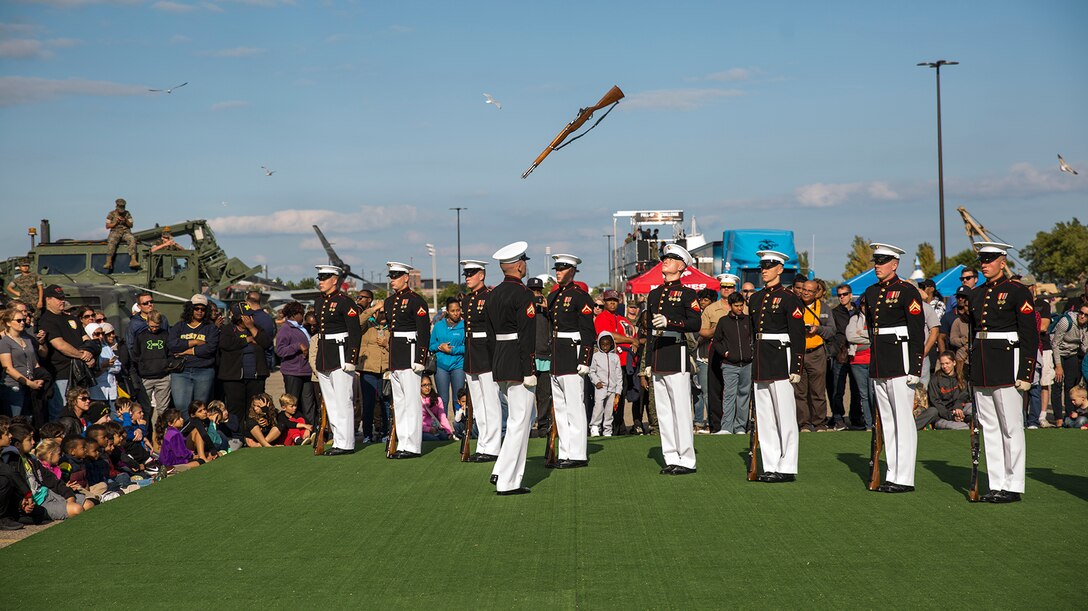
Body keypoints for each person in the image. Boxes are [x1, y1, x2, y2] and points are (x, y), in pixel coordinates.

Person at [965, 242, 1038, 503]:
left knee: (1011, 427)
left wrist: (1026, 371)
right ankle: (996, 482)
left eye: (990, 259)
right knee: (990, 427)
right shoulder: (977, 294)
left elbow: (1029, 334)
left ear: (1003, 261)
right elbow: (974, 334)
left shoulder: (1017, 291)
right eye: (982, 260)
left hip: (1008, 363)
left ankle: (1013, 483)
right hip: (984, 365)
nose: (985, 264)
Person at [862, 243, 926, 493]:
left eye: (882, 261)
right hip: (881, 361)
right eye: (876, 261)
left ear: (895, 264)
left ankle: (904, 477)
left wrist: (915, 366)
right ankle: (892, 473)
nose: (877, 266)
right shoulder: (870, 292)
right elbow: (870, 326)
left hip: (901, 361)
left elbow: (916, 330)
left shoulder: (907, 291)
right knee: (888, 422)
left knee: (902, 421)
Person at [644, 244, 701, 475]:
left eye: (671, 258)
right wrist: (647, 362)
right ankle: (671, 457)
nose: (665, 261)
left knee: (680, 409)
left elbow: (696, 323)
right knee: (664, 410)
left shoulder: (688, 294)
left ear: (681, 266)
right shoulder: (655, 293)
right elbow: (648, 330)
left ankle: (686, 459)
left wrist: (670, 323)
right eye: (665, 258)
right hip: (658, 353)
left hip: (676, 352)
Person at [749, 250, 805, 482]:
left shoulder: (790, 298)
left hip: (782, 357)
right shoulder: (755, 298)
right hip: (762, 358)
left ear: (780, 269)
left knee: (785, 415)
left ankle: (787, 465)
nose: (764, 270)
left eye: (769, 266)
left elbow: (798, 334)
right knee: (765, 416)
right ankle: (771, 464)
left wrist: (796, 366)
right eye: (762, 266)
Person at [486, 242, 537, 495]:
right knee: (520, 422)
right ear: (518, 265)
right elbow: (527, 336)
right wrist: (529, 369)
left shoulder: (493, 294)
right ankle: (508, 481)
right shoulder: (524, 294)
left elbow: (490, 335)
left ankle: (500, 469)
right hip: (518, 362)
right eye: (524, 262)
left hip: (500, 360)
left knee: (516, 420)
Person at [546, 253, 595, 469]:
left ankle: (577, 454)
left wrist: (585, 359)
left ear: (573, 270)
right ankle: (565, 451)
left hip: (573, 352)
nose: (558, 271)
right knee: (561, 407)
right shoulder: (554, 296)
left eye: (563, 268)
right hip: (557, 354)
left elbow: (588, 331)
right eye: (556, 268)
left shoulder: (580, 296)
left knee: (575, 406)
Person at [313, 265, 363, 456]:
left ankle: (346, 442)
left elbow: (354, 332)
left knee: (343, 400)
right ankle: (338, 439)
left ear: (335, 280)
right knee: (331, 402)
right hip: (325, 354)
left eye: (325, 278)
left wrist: (352, 357)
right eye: (320, 278)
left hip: (341, 354)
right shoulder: (319, 302)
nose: (321, 282)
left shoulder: (345, 302)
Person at [383, 261, 431, 459]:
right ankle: (402, 442)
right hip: (396, 356)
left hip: (411, 355)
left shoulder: (416, 300)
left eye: (396, 276)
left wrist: (421, 358)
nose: (393, 280)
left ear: (406, 277)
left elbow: (423, 332)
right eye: (391, 277)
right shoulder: (389, 302)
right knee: (400, 403)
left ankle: (412, 445)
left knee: (411, 402)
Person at [461, 259, 502, 462]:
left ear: (482, 275)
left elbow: (494, 331)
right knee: (478, 404)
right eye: (466, 274)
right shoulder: (467, 300)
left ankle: (493, 447)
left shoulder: (490, 297)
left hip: (486, 354)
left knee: (491, 403)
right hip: (471, 355)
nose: (467, 277)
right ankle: (483, 444)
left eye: (471, 273)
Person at [38, 285, 95, 422]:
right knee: (62, 412)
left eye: (63, 298)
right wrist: (82, 356)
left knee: (81, 412)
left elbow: (88, 340)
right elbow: (60, 345)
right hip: (61, 374)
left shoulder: (73, 319)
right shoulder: (46, 320)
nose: (62, 301)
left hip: (80, 374)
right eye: (58, 299)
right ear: (48, 300)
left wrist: (89, 353)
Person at [218, 303, 273, 423]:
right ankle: (237, 437)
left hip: (255, 377)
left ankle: (252, 436)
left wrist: (252, 328)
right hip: (234, 377)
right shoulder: (228, 330)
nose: (251, 319)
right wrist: (246, 340)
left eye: (251, 316)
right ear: (239, 317)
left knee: (254, 408)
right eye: (247, 316)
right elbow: (226, 344)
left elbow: (266, 343)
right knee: (236, 408)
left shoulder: (257, 328)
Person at [167, 295, 219, 417]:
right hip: (181, 372)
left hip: (204, 371)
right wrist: (194, 342)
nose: (200, 311)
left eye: (203, 309)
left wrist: (186, 351)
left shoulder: (210, 328)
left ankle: (198, 433)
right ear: (190, 309)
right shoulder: (179, 326)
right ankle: (185, 433)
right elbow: (172, 345)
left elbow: (210, 348)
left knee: (200, 408)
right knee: (181, 406)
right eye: (196, 308)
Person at [698, 274, 738, 434]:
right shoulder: (711, 309)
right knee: (714, 392)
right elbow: (701, 330)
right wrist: (716, 331)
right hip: (714, 355)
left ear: (734, 289)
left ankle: (736, 425)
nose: (726, 290)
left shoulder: (744, 307)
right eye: (724, 287)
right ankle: (716, 425)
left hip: (736, 356)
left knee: (735, 393)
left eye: (729, 287)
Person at [794, 280, 835, 432]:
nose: (805, 293)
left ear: (816, 292)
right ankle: (803, 423)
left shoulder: (824, 308)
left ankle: (819, 423)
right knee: (800, 391)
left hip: (817, 353)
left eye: (809, 291)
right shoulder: (794, 304)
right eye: (803, 289)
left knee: (818, 391)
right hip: (798, 353)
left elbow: (832, 330)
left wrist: (817, 329)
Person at [594, 289, 637, 435]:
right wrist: (631, 340)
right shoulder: (602, 317)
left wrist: (636, 341)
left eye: (615, 300)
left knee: (621, 396)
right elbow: (608, 337)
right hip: (608, 365)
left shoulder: (622, 319)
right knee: (607, 398)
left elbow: (634, 335)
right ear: (604, 302)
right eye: (609, 300)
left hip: (625, 363)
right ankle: (608, 427)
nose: (612, 303)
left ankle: (619, 425)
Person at [711, 292, 753, 435]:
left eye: (741, 305)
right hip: (729, 365)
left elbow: (753, 338)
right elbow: (716, 341)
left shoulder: (749, 320)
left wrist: (751, 352)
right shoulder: (723, 321)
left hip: (747, 364)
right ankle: (726, 428)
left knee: (744, 395)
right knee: (729, 395)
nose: (740, 308)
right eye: (736, 306)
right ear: (730, 306)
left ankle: (740, 427)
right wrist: (725, 353)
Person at [275, 301, 317, 426]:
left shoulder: (302, 327)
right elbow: (280, 350)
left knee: (309, 404)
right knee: (292, 404)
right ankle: (294, 430)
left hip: (306, 371)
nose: (302, 316)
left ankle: (310, 430)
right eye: (301, 313)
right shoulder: (285, 329)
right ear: (294, 314)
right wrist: (297, 346)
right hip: (293, 371)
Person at [1, 307, 44, 418]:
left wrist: (40, 378)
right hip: (14, 385)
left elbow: (35, 363)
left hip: (31, 384)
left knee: (29, 418)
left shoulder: (27, 340)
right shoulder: (4, 342)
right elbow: (8, 368)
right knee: (16, 418)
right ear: (9, 323)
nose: (22, 323)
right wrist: (28, 383)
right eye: (18, 320)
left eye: (23, 320)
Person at [1050, 302, 1087, 428]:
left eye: (1086, 315)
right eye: (1081, 313)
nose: (1082, 316)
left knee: (1070, 386)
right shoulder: (1067, 321)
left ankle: (1069, 416)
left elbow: (1084, 345)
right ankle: (1058, 418)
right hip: (1058, 352)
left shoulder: (1086, 326)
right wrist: (1058, 365)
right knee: (1057, 384)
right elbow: (1055, 343)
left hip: (1072, 353)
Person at [358, 310, 391, 444]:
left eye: (385, 312)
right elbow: (357, 322)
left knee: (386, 403)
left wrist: (386, 344)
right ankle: (367, 434)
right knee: (368, 403)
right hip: (368, 369)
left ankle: (386, 432)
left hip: (386, 369)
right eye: (380, 312)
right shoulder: (367, 325)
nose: (383, 315)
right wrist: (374, 308)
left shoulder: (392, 327)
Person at [430, 296, 466, 419]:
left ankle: (459, 426)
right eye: (453, 311)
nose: (456, 313)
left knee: (458, 398)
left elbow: (468, 347)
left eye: (458, 310)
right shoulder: (439, 326)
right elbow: (431, 345)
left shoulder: (465, 325)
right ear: (447, 312)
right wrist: (440, 347)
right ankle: (444, 428)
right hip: (441, 367)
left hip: (458, 366)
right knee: (443, 399)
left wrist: (453, 350)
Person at [828, 284, 858, 431]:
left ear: (850, 295)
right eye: (839, 295)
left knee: (856, 388)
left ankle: (856, 417)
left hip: (856, 354)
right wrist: (835, 349)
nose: (842, 297)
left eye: (844, 294)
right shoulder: (834, 312)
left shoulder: (858, 312)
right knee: (838, 389)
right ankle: (838, 418)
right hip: (840, 354)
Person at [916, 351, 971, 430]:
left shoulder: (960, 377)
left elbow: (963, 395)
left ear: (954, 363)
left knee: (971, 408)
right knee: (963, 427)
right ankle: (910, 429)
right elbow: (936, 402)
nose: (944, 366)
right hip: (942, 415)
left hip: (957, 409)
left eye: (947, 363)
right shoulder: (935, 379)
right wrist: (951, 416)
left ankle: (965, 420)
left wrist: (958, 408)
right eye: (942, 364)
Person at [528, 276, 553, 439]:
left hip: (545, 357)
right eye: (533, 292)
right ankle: (528, 427)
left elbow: (557, 326)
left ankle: (543, 426)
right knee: (526, 396)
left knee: (544, 395)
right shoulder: (523, 311)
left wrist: (547, 310)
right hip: (528, 357)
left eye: (539, 291)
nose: (536, 295)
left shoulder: (547, 312)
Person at [845, 301, 875, 430]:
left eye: (867, 304)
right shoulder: (854, 318)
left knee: (874, 393)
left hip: (874, 360)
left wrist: (861, 334)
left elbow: (877, 335)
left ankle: (877, 422)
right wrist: (870, 338)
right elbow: (850, 336)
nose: (865, 306)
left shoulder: (875, 318)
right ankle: (869, 425)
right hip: (857, 361)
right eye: (863, 304)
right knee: (864, 395)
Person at [588, 331, 622, 437]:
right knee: (598, 408)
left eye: (607, 344)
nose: (605, 347)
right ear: (599, 344)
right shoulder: (596, 356)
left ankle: (607, 429)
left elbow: (619, 375)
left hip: (612, 388)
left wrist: (618, 391)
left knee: (609, 410)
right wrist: (596, 381)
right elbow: (591, 371)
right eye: (603, 344)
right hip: (600, 387)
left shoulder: (615, 357)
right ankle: (594, 427)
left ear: (611, 344)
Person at [85, 323, 120, 413]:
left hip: (111, 390)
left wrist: (107, 367)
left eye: (102, 333)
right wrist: (104, 366)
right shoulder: (87, 349)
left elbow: (118, 366)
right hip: (97, 391)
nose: (101, 336)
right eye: (97, 334)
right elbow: (90, 370)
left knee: (113, 415)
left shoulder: (106, 347)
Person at [104, 197, 139, 272]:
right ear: (117, 206)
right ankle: (109, 261)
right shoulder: (111, 213)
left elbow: (131, 225)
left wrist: (126, 220)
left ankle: (133, 260)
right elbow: (107, 226)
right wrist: (115, 222)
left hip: (125, 232)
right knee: (112, 241)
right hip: (115, 231)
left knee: (132, 239)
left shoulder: (127, 213)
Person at [421, 377, 454, 441]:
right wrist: (428, 429)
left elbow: (442, 417)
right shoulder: (415, 400)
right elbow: (415, 422)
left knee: (444, 437)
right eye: (424, 385)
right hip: (421, 430)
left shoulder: (437, 399)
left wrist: (449, 432)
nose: (427, 387)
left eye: (429, 384)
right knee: (434, 439)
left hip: (435, 428)